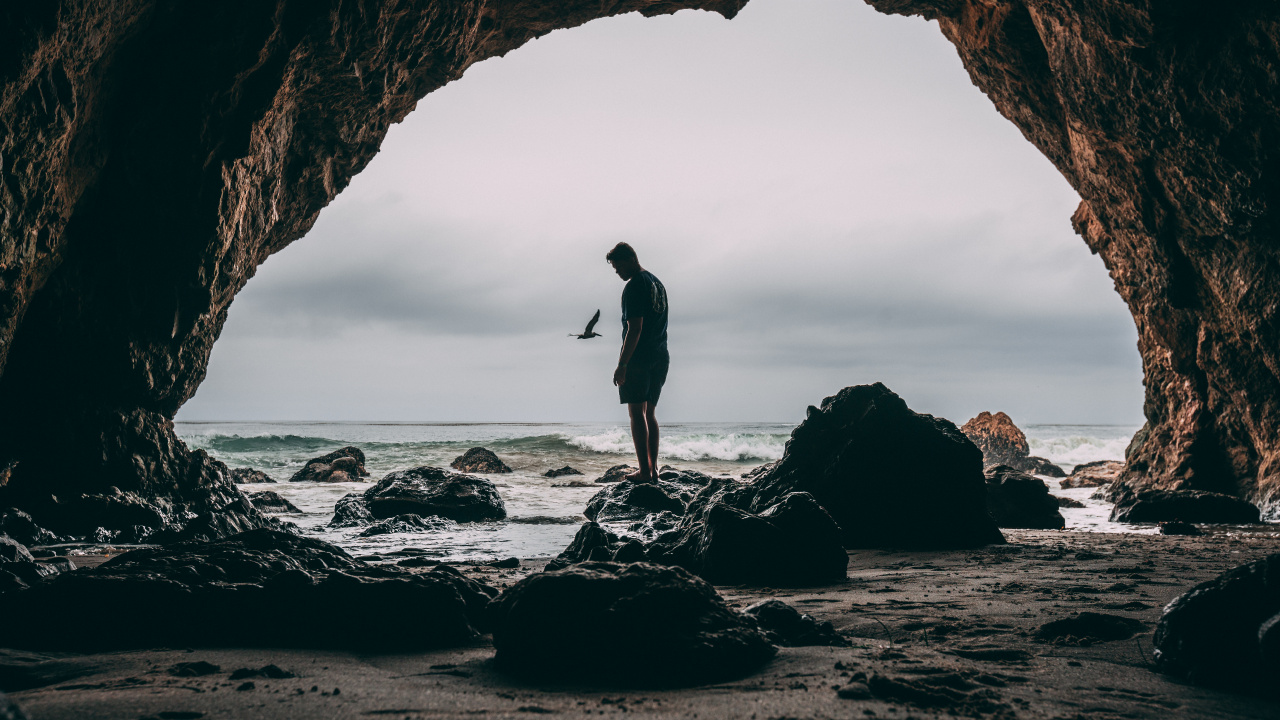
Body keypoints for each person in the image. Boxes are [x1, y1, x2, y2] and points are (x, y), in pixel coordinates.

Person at [607, 242, 669, 483]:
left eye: (619, 267)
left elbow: (635, 328)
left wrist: (622, 364)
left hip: (639, 358)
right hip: (660, 355)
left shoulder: (634, 286)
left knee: (636, 413)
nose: (618, 273)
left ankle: (644, 471)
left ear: (631, 259)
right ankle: (654, 471)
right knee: (649, 413)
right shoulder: (657, 284)